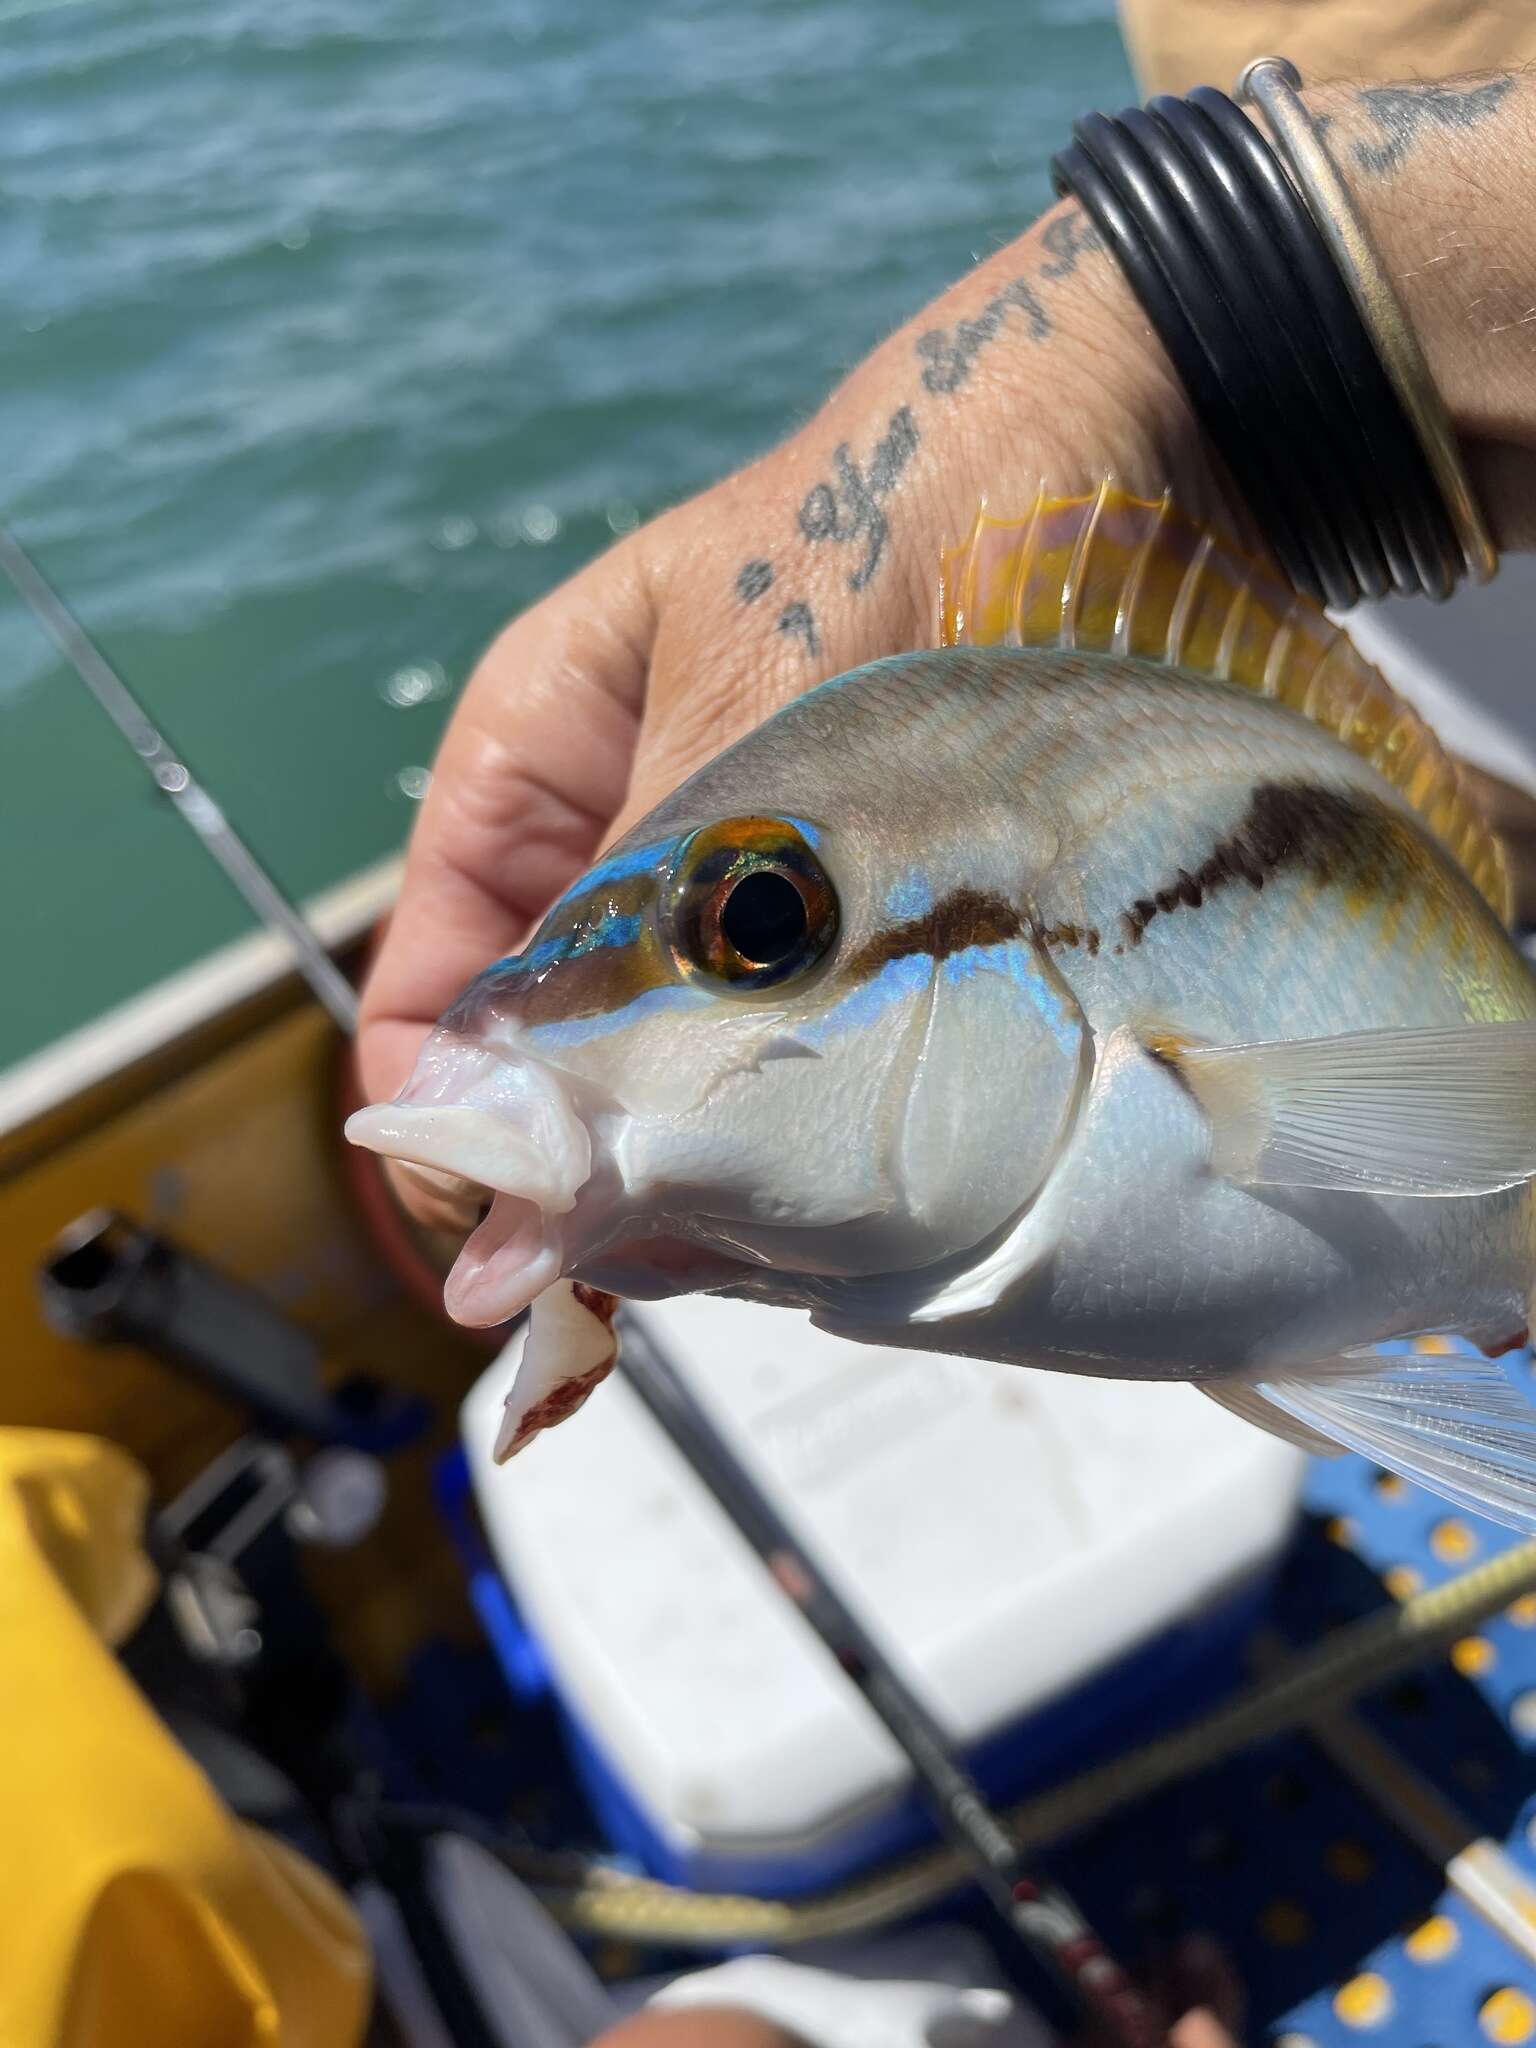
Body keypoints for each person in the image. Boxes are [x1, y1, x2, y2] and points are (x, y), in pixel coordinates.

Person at [355, 52, 1536, 2048]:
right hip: (1417, 546)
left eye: (760, 929)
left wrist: (1181, 310)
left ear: (1026, 955)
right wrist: (1188, 340)